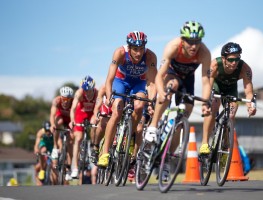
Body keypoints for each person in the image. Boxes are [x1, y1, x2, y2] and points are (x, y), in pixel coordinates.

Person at [144, 21, 211, 181]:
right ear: (183, 39)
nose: (194, 46)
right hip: (171, 75)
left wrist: (206, 103)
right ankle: (153, 127)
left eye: (197, 41)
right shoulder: (173, 47)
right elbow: (159, 76)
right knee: (171, 86)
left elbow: (206, 81)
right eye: (190, 41)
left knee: (183, 120)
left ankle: (165, 160)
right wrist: (161, 93)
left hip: (188, 79)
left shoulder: (204, 53)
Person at [98, 31, 157, 171]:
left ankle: (130, 136)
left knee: (139, 105)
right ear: (129, 48)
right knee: (117, 112)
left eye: (141, 49)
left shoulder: (150, 56)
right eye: (135, 49)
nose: (138, 53)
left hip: (138, 83)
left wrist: (151, 102)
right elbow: (109, 79)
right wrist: (109, 96)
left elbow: (153, 83)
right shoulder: (119, 53)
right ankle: (105, 153)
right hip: (121, 82)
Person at [199, 42, 257, 154]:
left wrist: (251, 105)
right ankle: (205, 143)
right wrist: (206, 102)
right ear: (223, 58)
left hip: (231, 88)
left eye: (237, 59)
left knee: (231, 115)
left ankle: (225, 145)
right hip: (216, 86)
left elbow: (249, 91)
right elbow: (208, 85)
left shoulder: (245, 69)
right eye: (231, 60)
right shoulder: (214, 65)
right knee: (214, 106)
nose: (234, 63)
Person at [69, 75, 98, 179]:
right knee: (78, 138)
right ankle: (75, 168)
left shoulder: (97, 93)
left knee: (95, 122)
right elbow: (72, 109)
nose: (87, 92)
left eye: (89, 90)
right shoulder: (79, 93)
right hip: (80, 114)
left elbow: (97, 109)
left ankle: (94, 145)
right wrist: (72, 120)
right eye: (85, 90)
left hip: (91, 113)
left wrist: (96, 117)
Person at [49, 86, 74, 181]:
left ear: (71, 99)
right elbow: (52, 115)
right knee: (57, 124)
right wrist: (52, 125)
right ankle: (55, 147)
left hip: (70, 120)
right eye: (63, 98)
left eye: (68, 99)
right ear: (60, 97)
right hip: (60, 117)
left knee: (70, 142)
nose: (65, 101)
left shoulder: (73, 103)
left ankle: (68, 168)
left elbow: (75, 115)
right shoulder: (56, 101)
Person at [89, 84, 111, 164]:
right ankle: (96, 146)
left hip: (119, 106)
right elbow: (97, 105)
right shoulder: (104, 87)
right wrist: (96, 115)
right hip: (107, 107)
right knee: (102, 123)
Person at [34, 121, 54, 185]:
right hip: (44, 145)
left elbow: (59, 142)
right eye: (46, 130)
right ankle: (42, 171)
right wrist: (36, 149)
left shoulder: (54, 131)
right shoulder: (40, 132)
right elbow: (37, 144)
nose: (48, 132)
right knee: (43, 150)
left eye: (49, 130)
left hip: (52, 146)